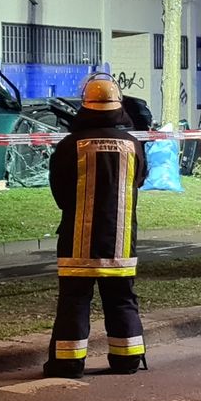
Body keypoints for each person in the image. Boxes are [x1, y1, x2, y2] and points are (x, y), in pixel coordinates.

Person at [43, 74, 147, 378]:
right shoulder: (133, 145)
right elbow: (139, 181)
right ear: (118, 105)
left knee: (74, 302)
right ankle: (127, 360)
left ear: (85, 105)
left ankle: (68, 363)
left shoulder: (70, 146)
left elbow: (60, 193)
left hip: (77, 241)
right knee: (122, 299)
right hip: (120, 242)